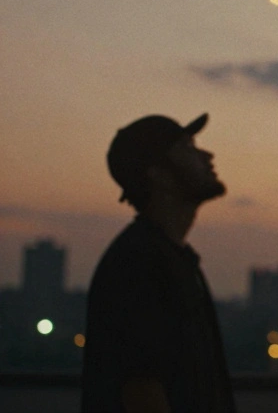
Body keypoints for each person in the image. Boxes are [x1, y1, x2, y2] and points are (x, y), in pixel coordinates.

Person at [82, 113, 234, 413]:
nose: (207, 156)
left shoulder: (169, 258)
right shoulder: (139, 264)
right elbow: (141, 385)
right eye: (188, 148)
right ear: (159, 175)